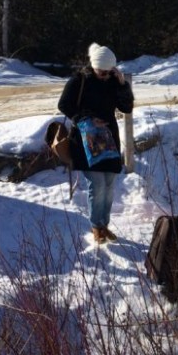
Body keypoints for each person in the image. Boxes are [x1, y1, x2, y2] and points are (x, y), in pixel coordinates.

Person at [58, 43, 134, 244]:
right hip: (86, 141)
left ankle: (104, 225)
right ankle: (95, 226)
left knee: (109, 185)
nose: (105, 76)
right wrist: (88, 119)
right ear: (94, 66)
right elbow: (64, 104)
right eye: (102, 72)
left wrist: (122, 85)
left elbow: (126, 107)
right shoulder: (79, 80)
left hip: (108, 141)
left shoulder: (112, 82)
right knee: (97, 184)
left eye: (109, 73)